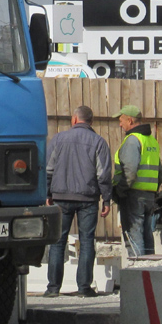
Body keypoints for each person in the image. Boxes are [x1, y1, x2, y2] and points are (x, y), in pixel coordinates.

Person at [44, 105, 112, 297]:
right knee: (87, 241)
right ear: (91, 122)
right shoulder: (99, 142)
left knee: (57, 242)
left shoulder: (58, 139)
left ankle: (52, 289)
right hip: (88, 199)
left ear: (74, 120)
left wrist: (47, 194)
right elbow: (103, 175)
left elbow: (48, 170)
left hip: (60, 198)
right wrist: (106, 199)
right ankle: (84, 288)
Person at [113, 105, 162, 258]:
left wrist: (119, 191)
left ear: (130, 120)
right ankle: (150, 274)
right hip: (149, 196)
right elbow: (160, 173)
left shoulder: (132, 141)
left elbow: (130, 171)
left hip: (133, 195)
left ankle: (138, 273)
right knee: (148, 238)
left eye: (121, 121)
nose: (120, 124)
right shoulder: (151, 141)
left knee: (133, 237)